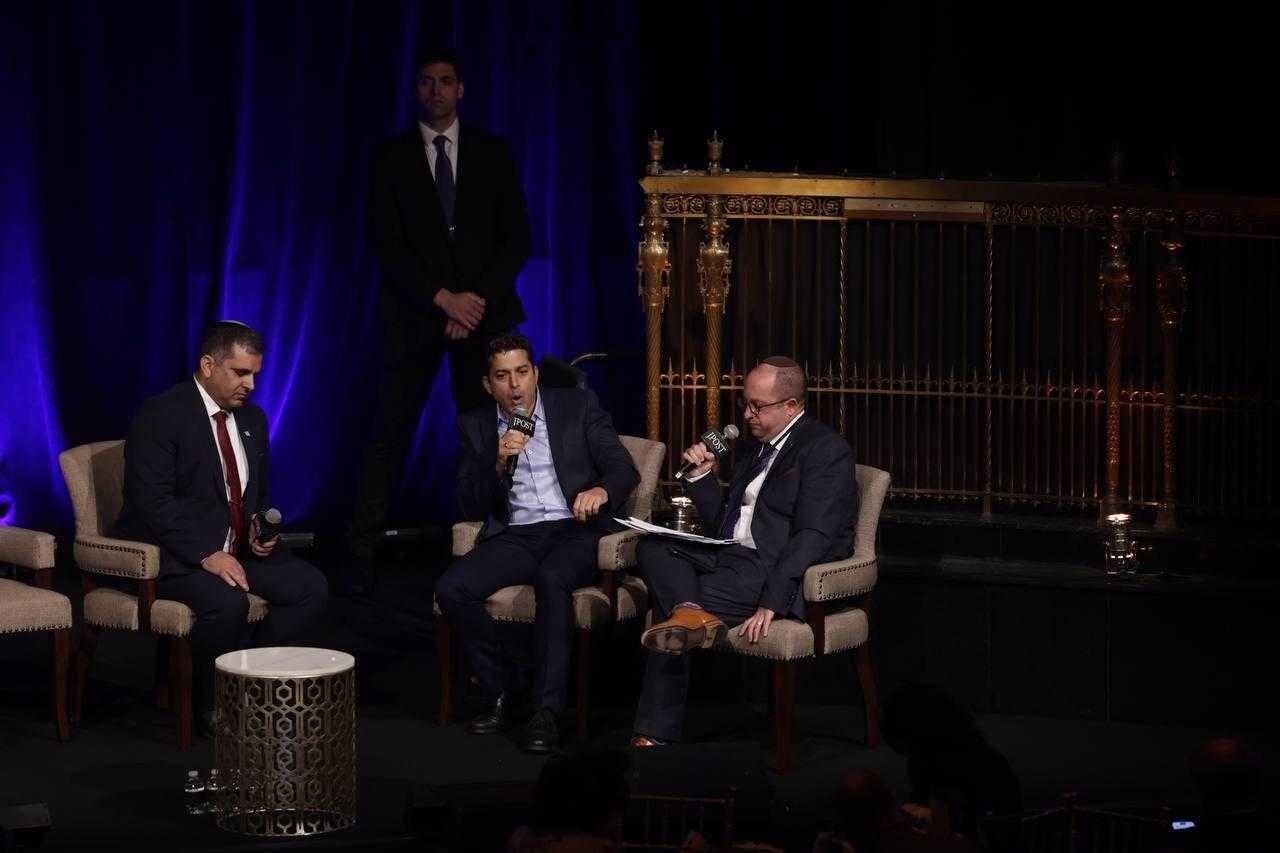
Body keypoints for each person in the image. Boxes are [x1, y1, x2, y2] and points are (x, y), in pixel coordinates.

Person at [347, 47, 531, 588]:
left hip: (483, 319)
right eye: (426, 82)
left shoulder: (493, 153)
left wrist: (471, 301)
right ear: (416, 89)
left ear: (461, 89)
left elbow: (516, 240)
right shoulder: (391, 157)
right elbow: (387, 245)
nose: (436, 91)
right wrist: (442, 298)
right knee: (389, 433)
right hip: (414, 318)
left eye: (445, 82)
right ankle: (358, 557)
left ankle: (480, 546)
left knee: (482, 436)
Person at [629, 356, 858, 747]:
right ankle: (690, 612)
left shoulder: (824, 450)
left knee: (668, 615)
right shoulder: (755, 448)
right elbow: (726, 522)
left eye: (758, 406)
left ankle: (655, 730)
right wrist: (702, 477)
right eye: (745, 403)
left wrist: (773, 600)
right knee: (652, 546)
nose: (747, 415)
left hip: (765, 567)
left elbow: (814, 535)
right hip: (728, 552)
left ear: (792, 406)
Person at [115, 321, 328, 733]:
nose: (250, 384)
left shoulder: (253, 420)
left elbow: (257, 494)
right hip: (176, 555)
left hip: (234, 548)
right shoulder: (162, 415)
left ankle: (250, 685)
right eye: (240, 373)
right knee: (227, 603)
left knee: (310, 588)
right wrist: (204, 554)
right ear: (208, 365)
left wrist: (257, 530)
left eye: (255, 375)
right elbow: (152, 502)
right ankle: (212, 703)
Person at [435, 334, 639, 753]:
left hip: (574, 528)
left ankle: (546, 712)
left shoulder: (575, 406)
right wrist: (497, 462)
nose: (515, 387)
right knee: (452, 588)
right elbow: (470, 502)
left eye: (523, 373)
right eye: (503, 377)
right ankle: (502, 689)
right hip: (518, 535)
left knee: (553, 578)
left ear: (536, 374)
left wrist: (600, 490)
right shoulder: (475, 424)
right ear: (488, 384)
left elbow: (622, 467)